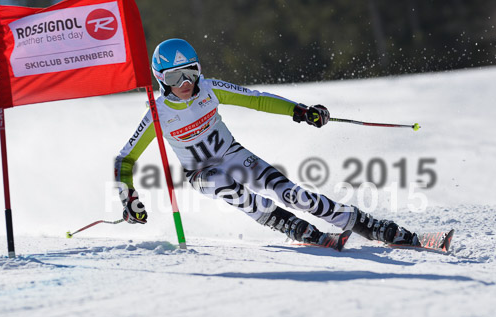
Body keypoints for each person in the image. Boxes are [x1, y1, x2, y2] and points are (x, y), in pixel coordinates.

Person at [114, 38, 418, 249]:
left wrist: (299, 111)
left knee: (294, 194)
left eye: (190, 72)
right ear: (160, 79)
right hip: (201, 175)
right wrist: (128, 198)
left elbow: (257, 100)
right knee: (224, 182)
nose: (185, 83)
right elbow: (124, 160)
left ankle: (364, 223)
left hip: (234, 155)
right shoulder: (158, 113)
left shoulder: (210, 89)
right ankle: (282, 222)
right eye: (175, 76)